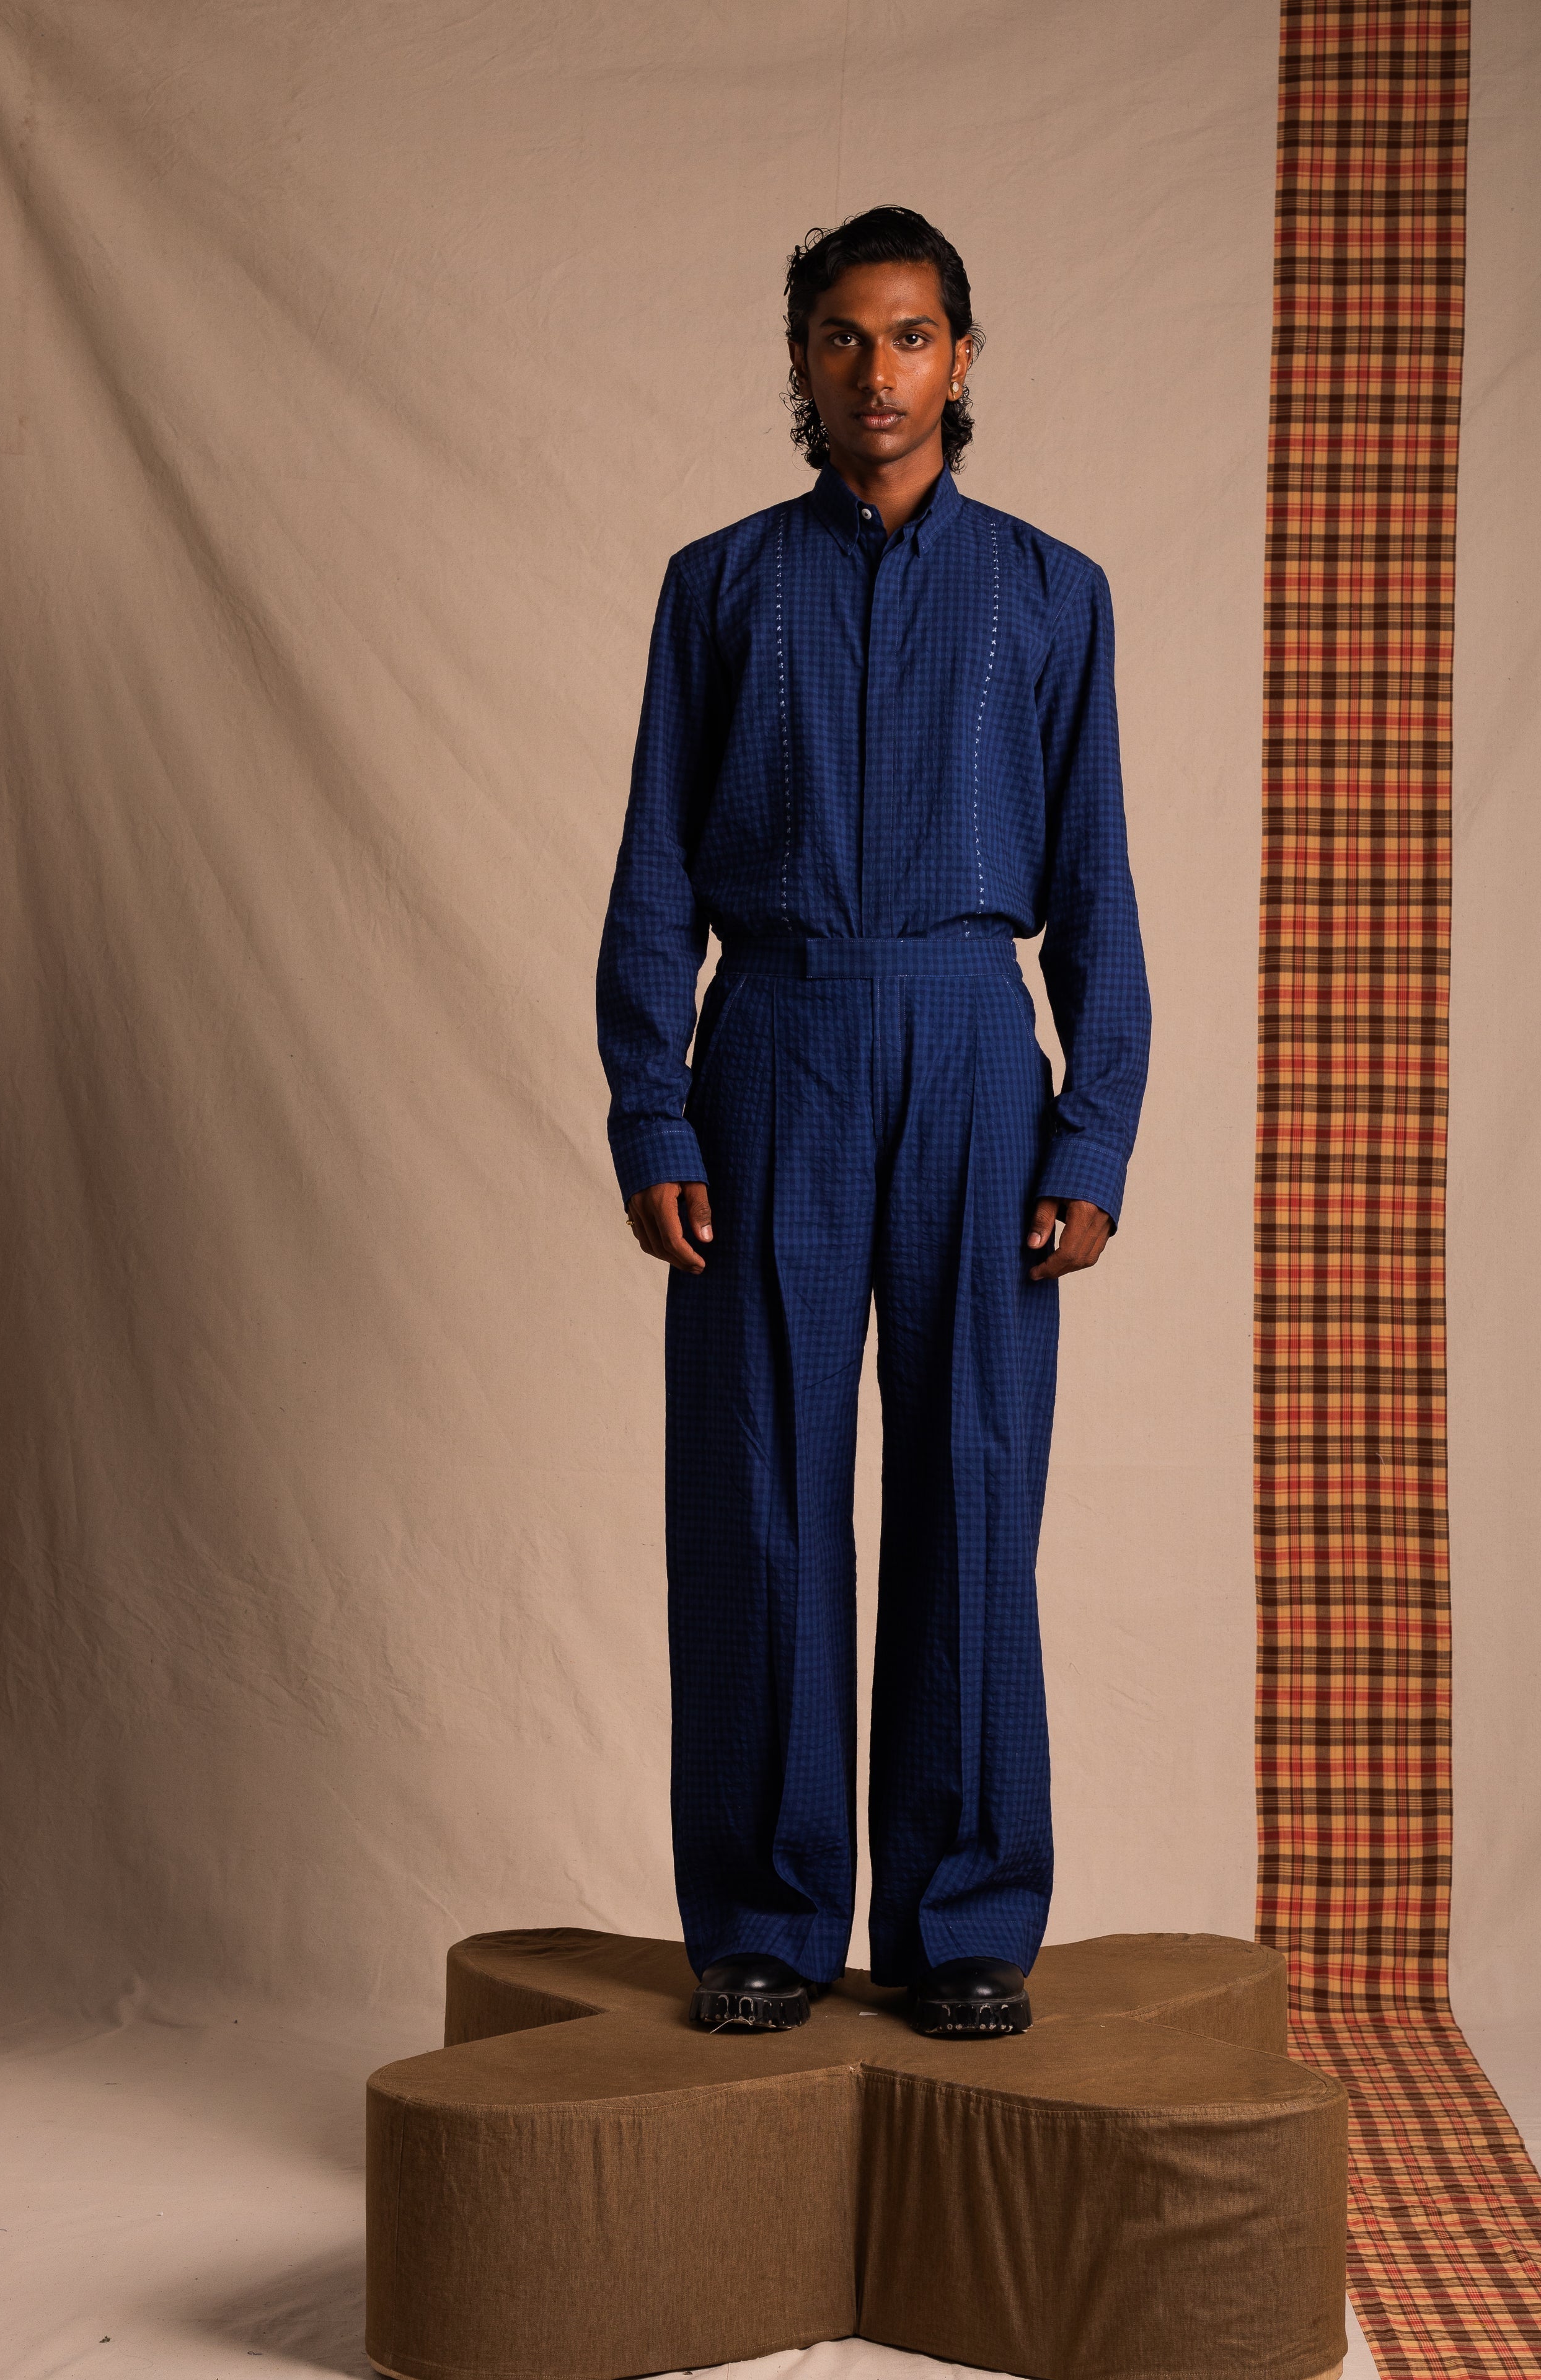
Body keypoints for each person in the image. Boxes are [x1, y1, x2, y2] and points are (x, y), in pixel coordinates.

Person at [596, 206, 1149, 2038]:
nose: (878, 373)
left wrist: (1092, 1134)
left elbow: (1099, 890)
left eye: (911, 338)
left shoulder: (1054, 596)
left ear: (962, 360)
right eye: (842, 339)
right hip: (775, 1046)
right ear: (805, 366)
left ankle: (963, 1917)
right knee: (758, 1490)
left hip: (978, 1054)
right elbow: (656, 873)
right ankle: (762, 1916)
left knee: (974, 1487)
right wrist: (653, 1105)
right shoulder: (721, 585)